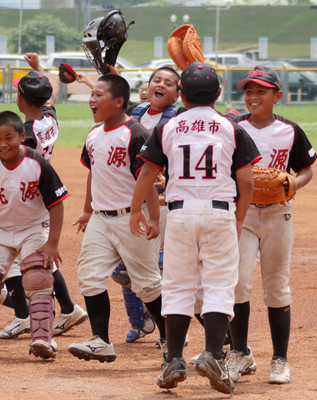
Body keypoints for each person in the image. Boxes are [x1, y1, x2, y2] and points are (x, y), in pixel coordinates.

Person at [129, 62, 259, 393]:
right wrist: (240, 216)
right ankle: (214, 355)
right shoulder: (231, 127)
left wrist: (134, 210)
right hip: (219, 212)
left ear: (182, 95)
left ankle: (174, 358)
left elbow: (147, 172)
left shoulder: (169, 127)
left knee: (177, 285)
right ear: (218, 93)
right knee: (218, 284)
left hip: (181, 213)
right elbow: (246, 180)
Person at [225, 66, 316, 385]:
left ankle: (280, 359)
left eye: (261, 91)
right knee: (237, 282)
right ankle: (239, 353)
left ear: (277, 95)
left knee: (277, 286)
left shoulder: (290, 131)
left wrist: (295, 182)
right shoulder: (234, 128)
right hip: (243, 214)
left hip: (279, 213)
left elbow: (306, 168)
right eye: (248, 91)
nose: (253, 96)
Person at [0, 110, 69, 361]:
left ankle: (43, 338)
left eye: (9, 137)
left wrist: (52, 242)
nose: (2, 144)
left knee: (38, 276)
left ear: (22, 136)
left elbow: (57, 203)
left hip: (33, 227)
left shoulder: (37, 162)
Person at [68, 74, 166, 363]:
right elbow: (93, 172)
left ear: (119, 101)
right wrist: (87, 209)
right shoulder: (94, 135)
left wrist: (155, 219)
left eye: (99, 95)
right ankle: (101, 340)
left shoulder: (135, 134)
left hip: (133, 218)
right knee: (89, 275)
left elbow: (146, 179)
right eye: (92, 95)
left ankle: (170, 336)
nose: (92, 100)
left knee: (147, 284)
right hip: (101, 216)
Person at [0, 53, 88, 341]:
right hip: (38, 191)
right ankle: (67, 308)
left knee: (12, 256)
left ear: (20, 101)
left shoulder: (24, 134)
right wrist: (38, 70)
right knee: (39, 256)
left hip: (24, 195)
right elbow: (48, 103)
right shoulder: (48, 120)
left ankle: (26, 315)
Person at [113, 66, 186, 345]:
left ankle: (174, 330)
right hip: (134, 200)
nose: (161, 85)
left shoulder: (179, 116)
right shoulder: (137, 113)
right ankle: (142, 321)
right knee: (124, 266)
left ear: (178, 92)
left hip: (164, 201)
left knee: (158, 266)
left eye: (169, 83)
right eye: (157, 80)